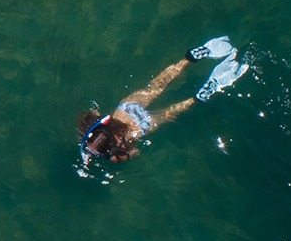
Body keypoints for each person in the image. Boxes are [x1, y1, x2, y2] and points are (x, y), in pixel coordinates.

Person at [79, 38, 247, 164]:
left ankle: (198, 96)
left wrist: (116, 154)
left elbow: (136, 152)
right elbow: (93, 113)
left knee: (172, 111)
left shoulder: (114, 154)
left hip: (141, 126)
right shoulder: (94, 127)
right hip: (127, 109)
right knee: (158, 84)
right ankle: (188, 59)